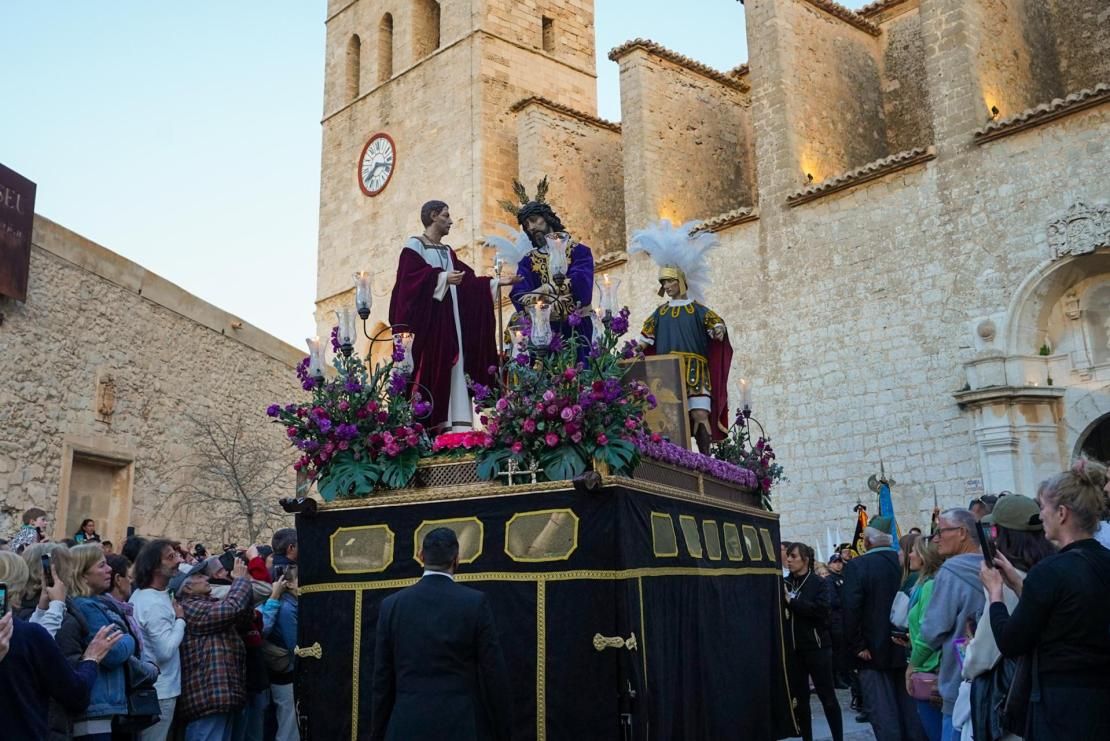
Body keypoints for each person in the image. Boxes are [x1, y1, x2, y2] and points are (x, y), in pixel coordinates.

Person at [980, 460, 1110, 739]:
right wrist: (1017, 583)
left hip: (1062, 708)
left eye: (1043, 508)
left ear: (1061, 513)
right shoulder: (1101, 561)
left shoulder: (1050, 572)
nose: (1040, 517)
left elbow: (1011, 641)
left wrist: (995, 595)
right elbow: (1069, 609)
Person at [370, 527, 511, 741]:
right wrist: (503, 732)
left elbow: (382, 681)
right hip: (461, 724)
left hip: (406, 724)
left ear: (421, 556)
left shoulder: (392, 606)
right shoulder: (475, 603)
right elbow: (494, 676)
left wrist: (377, 734)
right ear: (457, 559)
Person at [388, 200, 498, 433]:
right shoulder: (414, 246)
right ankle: (430, 429)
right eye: (446, 216)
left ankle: (458, 431)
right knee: (430, 371)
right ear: (433, 216)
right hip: (431, 328)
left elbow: (466, 281)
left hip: (453, 325)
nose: (450, 221)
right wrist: (440, 278)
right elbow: (408, 283)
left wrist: (494, 283)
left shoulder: (448, 252)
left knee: (456, 368)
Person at [630, 220, 733, 454]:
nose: (666, 285)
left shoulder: (697, 310)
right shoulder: (659, 313)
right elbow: (646, 339)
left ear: (681, 281)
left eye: (670, 281)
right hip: (667, 372)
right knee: (671, 420)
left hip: (696, 370)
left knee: (699, 413)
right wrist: (637, 348)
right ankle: (677, 461)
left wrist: (719, 330)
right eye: (663, 282)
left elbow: (716, 325)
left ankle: (706, 460)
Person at [0, 551, 126, 741]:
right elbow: (75, 693)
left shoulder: (25, 633)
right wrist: (91, 659)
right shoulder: (28, 635)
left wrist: (45, 609)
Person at [963, 494, 1055, 741]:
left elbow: (985, 652)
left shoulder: (1006, 582)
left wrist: (967, 660)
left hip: (1016, 700)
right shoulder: (1052, 569)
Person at [841, 516, 926, 741]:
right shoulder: (904, 563)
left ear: (866, 542)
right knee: (910, 709)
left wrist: (857, 645)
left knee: (883, 712)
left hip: (872, 650)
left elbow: (851, 608)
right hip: (906, 646)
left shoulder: (857, 566)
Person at [67, 543, 159, 740]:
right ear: (82, 574)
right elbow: (114, 651)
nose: (108, 569)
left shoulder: (94, 603)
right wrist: (129, 637)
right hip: (96, 706)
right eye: (101, 566)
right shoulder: (86, 607)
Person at [920, 509, 985, 741]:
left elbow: (931, 631)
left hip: (960, 682)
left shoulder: (950, 572)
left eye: (941, 530)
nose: (936, 538)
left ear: (962, 533)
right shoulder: (995, 564)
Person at [507, 192, 595, 360]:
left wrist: (545, 289)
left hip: (577, 328)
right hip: (543, 331)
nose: (531, 227)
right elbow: (519, 294)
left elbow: (582, 286)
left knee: (581, 377)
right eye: (526, 225)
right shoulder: (527, 262)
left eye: (534, 220)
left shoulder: (579, 251)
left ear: (547, 218)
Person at [175, 557, 255, 740]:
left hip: (221, 694)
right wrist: (240, 581)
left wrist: (243, 586)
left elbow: (243, 616)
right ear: (187, 587)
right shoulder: (190, 607)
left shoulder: (208, 602)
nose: (206, 578)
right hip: (207, 696)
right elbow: (232, 608)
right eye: (199, 576)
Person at [783, 542, 843, 741]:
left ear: (805, 560)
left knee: (828, 698)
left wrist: (793, 602)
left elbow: (821, 612)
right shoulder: (785, 583)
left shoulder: (819, 583)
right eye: (788, 556)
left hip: (817, 648)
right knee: (801, 700)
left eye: (793, 556)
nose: (789, 560)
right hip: (794, 650)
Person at [130, 539, 187, 741]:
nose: (177, 561)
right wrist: (180, 620)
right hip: (160, 691)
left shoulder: (147, 595)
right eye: (170, 557)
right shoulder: (152, 603)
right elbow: (165, 650)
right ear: (155, 567)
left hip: (157, 688)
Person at [904, 536, 944, 741]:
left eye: (914, 551)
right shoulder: (926, 584)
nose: (909, 555)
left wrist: (912, 666)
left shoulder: (929, 586)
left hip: (929, 668)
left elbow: (928, 633)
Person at [261, 565, 300, 741]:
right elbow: (294, 644)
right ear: (289, 584)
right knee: (288, 722)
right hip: (286, 673)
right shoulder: (287, 609)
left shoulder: (291, 604)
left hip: (286, 672)